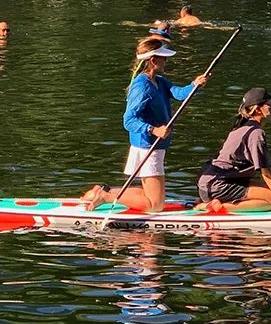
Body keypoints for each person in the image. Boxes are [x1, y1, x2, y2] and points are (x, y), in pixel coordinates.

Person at [81, 36, 207, 212]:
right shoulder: (141, 86)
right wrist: (153, 129)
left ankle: (104, 192)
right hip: (147, 147)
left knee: (154, 199)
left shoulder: (159, 81)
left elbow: (178, 93)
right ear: (153, 60)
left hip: (157, 145)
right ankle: (106, 196)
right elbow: (129, 120)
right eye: (163, 58)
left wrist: (195, 85)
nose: (166, 61)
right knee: (155, 205)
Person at [196, 88, 271, 214]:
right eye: (270, 105)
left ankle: (211, 202)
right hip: (218, 185)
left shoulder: (245, 127)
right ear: (258, 109)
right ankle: (217, 207)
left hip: (212, 183)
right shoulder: (255, 133)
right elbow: (267, 173)